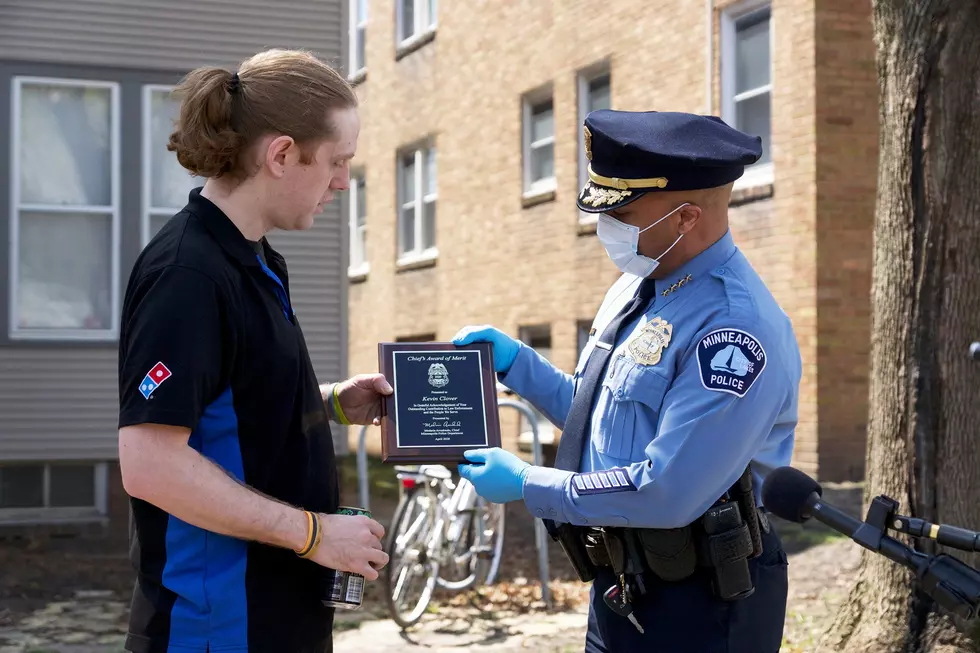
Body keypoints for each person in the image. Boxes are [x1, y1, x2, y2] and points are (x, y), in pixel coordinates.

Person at [454, 110, 801, 652]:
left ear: (686, 218)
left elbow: (668, 489)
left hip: (703, 601)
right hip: (624, 583)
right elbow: (597, 415)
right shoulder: (638, 285)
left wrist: (528, 484)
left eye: (625, 212)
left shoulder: (734, 328)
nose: (607, 227)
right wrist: (515, 363)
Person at [116, 49, 390, 653]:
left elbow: (231, 406)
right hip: (214, 628)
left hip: (275, 614)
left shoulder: (256, 259)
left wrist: (334, 404)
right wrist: (315, 534)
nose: (343, 181)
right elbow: (151, 463)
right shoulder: (187, 274)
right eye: (338, 162)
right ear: (282, 154)